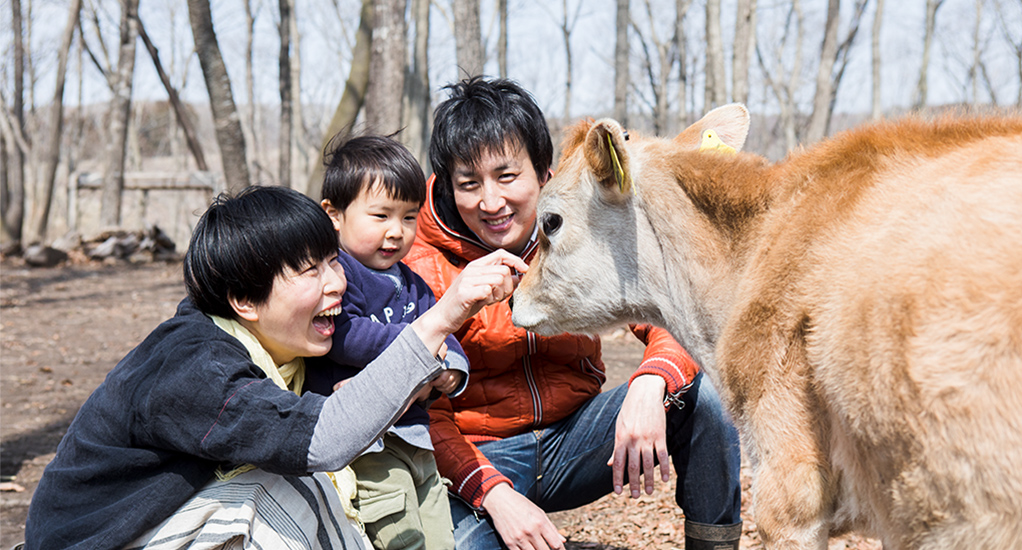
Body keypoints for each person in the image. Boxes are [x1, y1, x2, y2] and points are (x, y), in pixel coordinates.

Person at [24, 185, 527, 550]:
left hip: (172, 525)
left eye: (334, 262)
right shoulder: (195, 366)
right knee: (281, 489)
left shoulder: (288, 352)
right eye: (311, 271)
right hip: (96, 540)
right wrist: (447, 314)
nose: (337, 285)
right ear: (244, 299)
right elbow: (324, 441)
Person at [403, 76, 743, 550]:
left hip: (576, 441)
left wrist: (651, 381)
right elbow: (423, 416)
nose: (490, 201)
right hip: (479, 458)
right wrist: (495, 495)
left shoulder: (579, 226)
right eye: (468, 184)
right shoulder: (414, 264)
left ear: (544, 173)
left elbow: (677, 314)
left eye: (506, 176)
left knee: (704, 394)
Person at [305, 134, 468, 550]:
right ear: (334, 215)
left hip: (417, 436)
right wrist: (416, 344)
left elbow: (444, 333)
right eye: (380, 215)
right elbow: (345, 336)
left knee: (438, 533)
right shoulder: (339, 275)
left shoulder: (411, 282)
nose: (397, 232)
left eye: (410, 217)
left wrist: (450, 369)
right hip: (369, 446)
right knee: (400, 536)